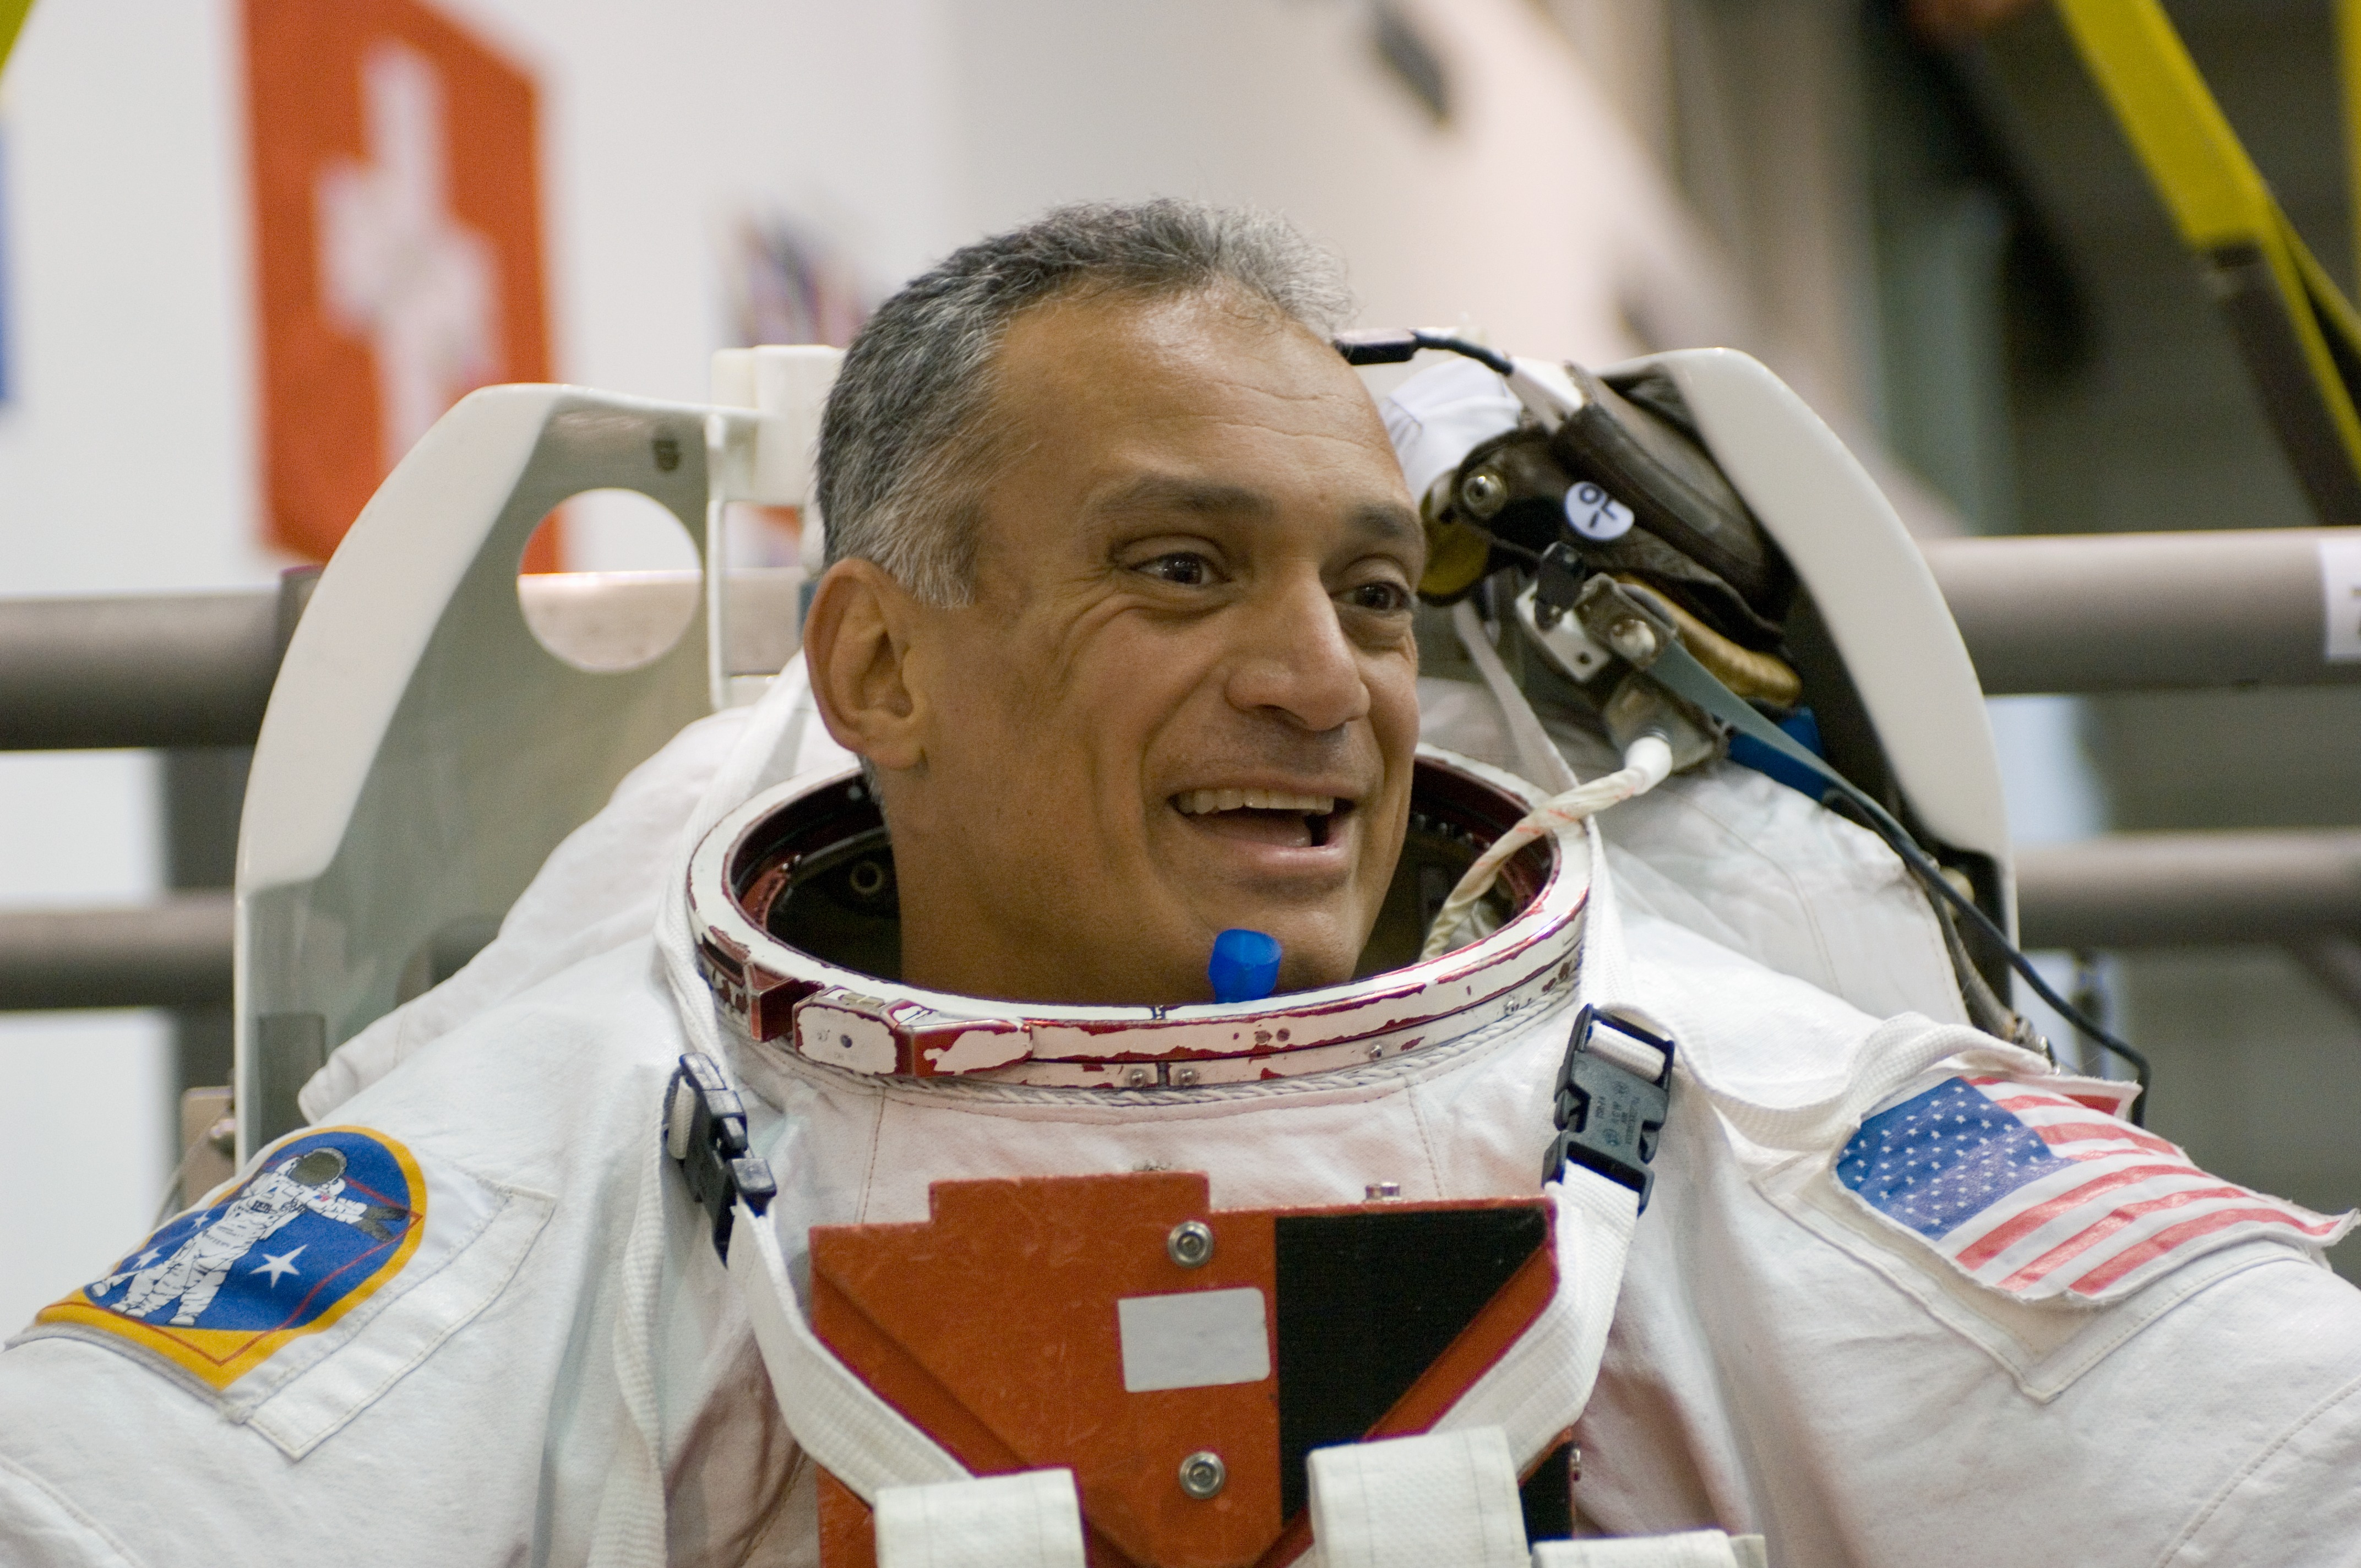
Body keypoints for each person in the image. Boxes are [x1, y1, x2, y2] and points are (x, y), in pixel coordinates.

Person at [3, 199, 2358, 1568]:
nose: (1320, 680)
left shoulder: (1713, 1103)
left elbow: (2271, 1456)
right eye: (1178, 568)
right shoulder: (590, 1131)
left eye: (1361, 590)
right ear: (881, 670)